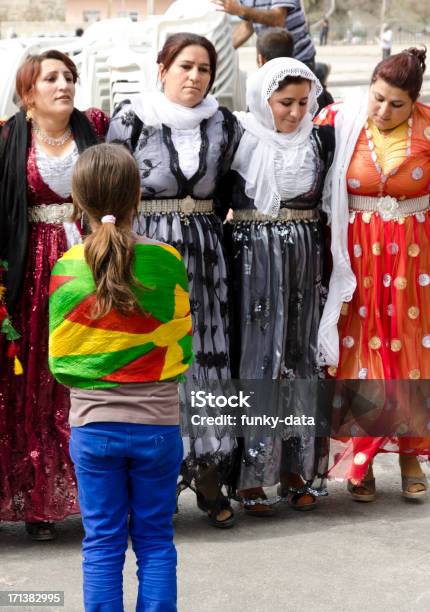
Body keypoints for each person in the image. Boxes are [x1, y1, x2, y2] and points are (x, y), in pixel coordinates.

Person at [49, 143, 191, 612]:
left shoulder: (67, 268)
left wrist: (106, 363)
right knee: (154, 542)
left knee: (102, 545)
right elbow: (180, 355)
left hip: (94, 431)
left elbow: (62, 363)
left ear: (78, 201)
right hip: (157, 429)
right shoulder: (167, 260)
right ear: (137, 199)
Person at [107, 33, 242, 527]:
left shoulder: (224, 123)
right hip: (147, 253)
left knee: (206, 362)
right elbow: (111, 188)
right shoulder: (131, 117)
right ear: (162, 67)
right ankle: (147, 491)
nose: (194, 76)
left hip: (206, 255)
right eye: (185, 66)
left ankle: (207, 477)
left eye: (204, 69)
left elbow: (232, 185)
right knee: (153, 362)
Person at [0, 50, 108, 540]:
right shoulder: (9, 139)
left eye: (69, 76)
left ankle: (62, 501)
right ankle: (29, 496)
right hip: (33, 273)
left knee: (77, 383)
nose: (63, 84)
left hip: (82, 268)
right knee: (30, 385)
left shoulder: (93, 131)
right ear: (28, 93)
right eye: (51, 78)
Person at [316, 48, 430, 500]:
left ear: (415, 103)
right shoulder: (337, 123)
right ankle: (360, 460)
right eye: (377, 98)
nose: (383, 111)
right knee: (361, 352)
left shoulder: (429, 127)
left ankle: (407, 455)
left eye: (396, 104)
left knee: (410, 353)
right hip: (356, 260)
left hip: (414, 259)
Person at [227, 57, 334, 514]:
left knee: (299, 357)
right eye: (284, 102)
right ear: (261, 98)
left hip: (304, 263)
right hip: (252, 260)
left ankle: (296, 468)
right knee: (257, 359)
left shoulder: (320, 140)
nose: (294, 112)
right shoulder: (238, 137)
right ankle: (250, 474)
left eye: (302, 102)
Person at [213, 0, 316, 70]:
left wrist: (241, 10)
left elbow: (278, 19)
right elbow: (248, 27)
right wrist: (217, 52)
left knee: (293, 99)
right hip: (270, 63)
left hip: (298, 59)